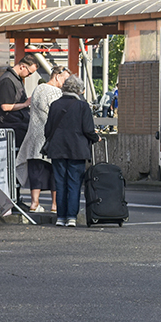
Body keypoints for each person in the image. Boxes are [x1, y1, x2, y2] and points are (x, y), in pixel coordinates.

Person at [43, 75, 98, 227]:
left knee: (60, 183)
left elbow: (47, 130)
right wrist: (96, 138)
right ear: (79, 90)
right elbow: (88, 129)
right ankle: (71, 217)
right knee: (74, 184)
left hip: (57, 149)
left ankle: (60, 217)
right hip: (77, 150)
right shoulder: (83, 106)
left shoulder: (54, 105)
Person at [17, 65, 67, 213]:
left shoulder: (38, 89)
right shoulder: (57, 93)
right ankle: (54, 205)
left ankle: (34, 203)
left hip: (34, 137)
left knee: (36, 170)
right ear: (57, 76)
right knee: (54, 171)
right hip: (51, 137)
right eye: (65, 79)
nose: (65, 83)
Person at [0, 53, 38, 150]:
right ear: (22, 66)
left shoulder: (17, 79)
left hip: (19, 125)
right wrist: (25, 104)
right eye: (29, 73)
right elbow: (5, 106)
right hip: (13, 126)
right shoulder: (7, 80)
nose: (29, 76)